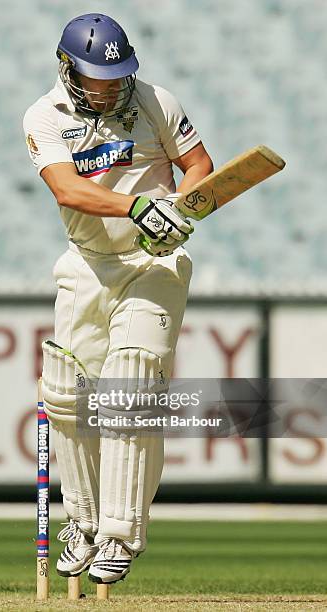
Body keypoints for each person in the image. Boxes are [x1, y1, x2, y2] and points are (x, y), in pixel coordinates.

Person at [23, 13, 213, 585]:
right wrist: (135, 207)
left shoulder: (157, 102)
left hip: (155, 262)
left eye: (117, 76)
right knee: (68, 395)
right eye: (96, 78)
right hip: (87, 263)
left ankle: (120, 532)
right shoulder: (43, 116)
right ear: (67, 69)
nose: (108, 87)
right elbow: (66, 187)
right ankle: (79, 519)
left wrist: (179, 207)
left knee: (130, 382)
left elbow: (198, 165)